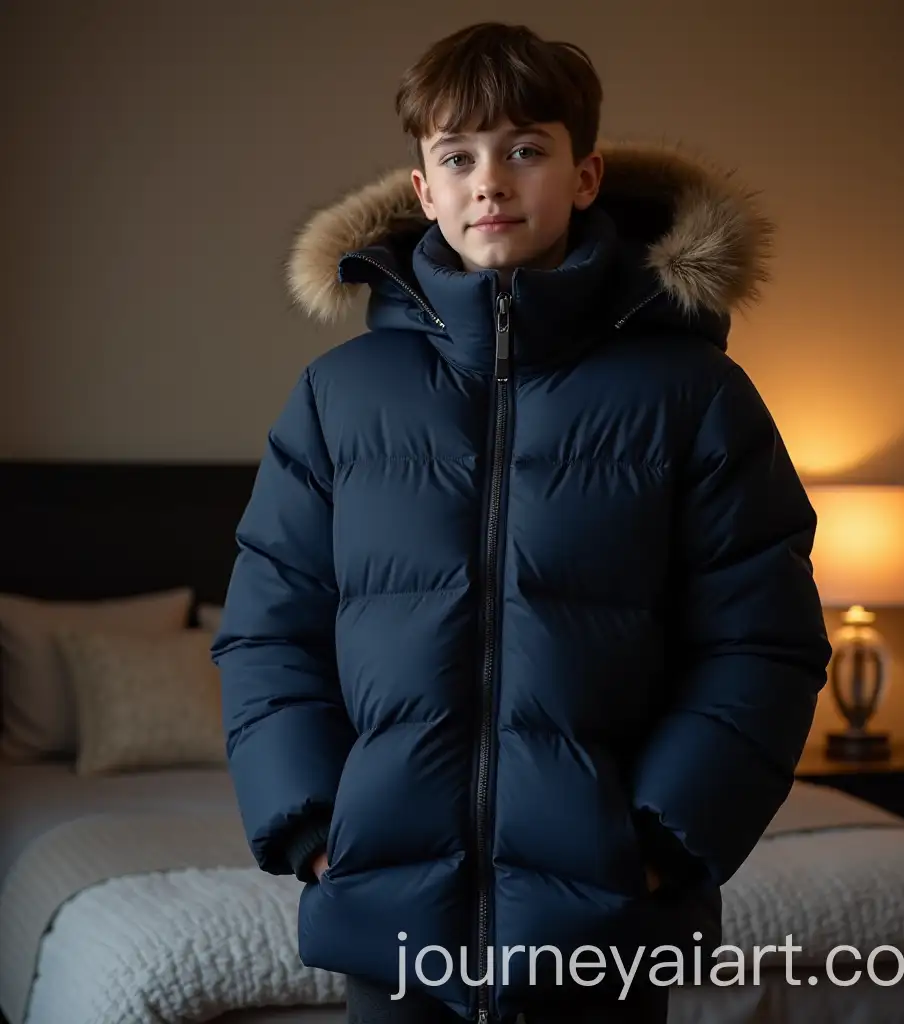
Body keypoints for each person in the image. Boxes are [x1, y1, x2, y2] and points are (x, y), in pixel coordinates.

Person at [211, 20, 832, 1024]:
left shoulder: (694, 395)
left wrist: (659, 842)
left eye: (525, 149)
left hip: (604, 925)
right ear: (423, 189)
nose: (490, 182)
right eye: (458, 157)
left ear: (584, 176)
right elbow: (267, 633)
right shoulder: (338, 398)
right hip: (391, 921)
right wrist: (320, 833)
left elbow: (761, 641)